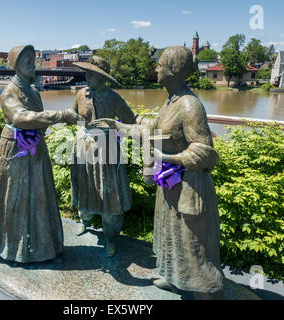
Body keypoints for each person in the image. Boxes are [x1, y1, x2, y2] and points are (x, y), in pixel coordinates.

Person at [93, 46, 225, 299]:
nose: (156, 69)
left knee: (191, 243)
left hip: (189, 185)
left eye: (160, 65)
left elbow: (205, 151)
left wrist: (169, 157)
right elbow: (150, 128)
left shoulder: (189, 105)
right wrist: (117, 125)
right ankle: (176, 279)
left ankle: (205, 293)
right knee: (171, 235)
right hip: (171, 182)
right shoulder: (171, 100)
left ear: (173, 70)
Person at [0, 45, 84, 263]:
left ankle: (42, 246)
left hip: (35, 148)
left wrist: (44, 128)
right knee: (17, 198)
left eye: (33, 61)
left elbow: (39, 119)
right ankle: (14, 249)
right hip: (15, 150)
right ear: (16, 66)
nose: (33, 66)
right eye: (27, 62)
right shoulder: (8, 92)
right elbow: (20, 117)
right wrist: (61, 115)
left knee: (39, 196)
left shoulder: (33, 91)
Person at [71, 56, 141, 257]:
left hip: (107, 151)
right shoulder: (81, 95)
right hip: (84, 149)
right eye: (87, 72)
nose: (87, 76)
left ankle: (111, 236)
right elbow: (74, 116)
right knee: (85, 189)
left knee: (109, 195)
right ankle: (84, 221)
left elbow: (130, 121)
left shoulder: (114, 98)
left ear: (102, 78)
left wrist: (116, 127)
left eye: (91, 73)